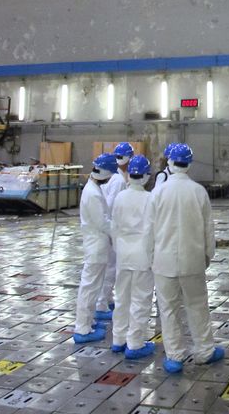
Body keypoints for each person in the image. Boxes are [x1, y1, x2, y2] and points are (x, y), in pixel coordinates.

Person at [147, 143, 224, 373]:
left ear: (169, 162)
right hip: (193, 261)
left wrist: (152, 258)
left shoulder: (158, 192)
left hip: (164, 262)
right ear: (189, 164)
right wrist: (208, 255)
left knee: (168, 309)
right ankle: (205, 351)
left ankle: (174, 356)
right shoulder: (198, 191)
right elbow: (208, 229)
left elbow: (149, 231)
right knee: (198, 306)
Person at [110, 155, 156, 359]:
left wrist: (119, 248)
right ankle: (135, 343)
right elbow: (152, 230)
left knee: (121, 298)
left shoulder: (121, 197)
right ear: (146, 176)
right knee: (140, 299)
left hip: (123, 254)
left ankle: (118, 339)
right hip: (142, 256)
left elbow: (114, 227)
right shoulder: (149, 199)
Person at [73, 153, 116, 344]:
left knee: (93, 286)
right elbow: (103, 223)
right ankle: (82, 329)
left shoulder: (93, 188)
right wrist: (122, 234)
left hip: (97, 244)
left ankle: (87, 323)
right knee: (90, 288)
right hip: (96, 246)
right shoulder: (93, 193)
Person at [96, 142, 133, 318]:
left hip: (105, 227)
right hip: (110, 228)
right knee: (111, 267)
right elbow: (111, 205)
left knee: (108, 266)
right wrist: (113, 231)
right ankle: (101, 303)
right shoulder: (118, 179)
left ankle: (106, 299)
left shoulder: (112, 175)